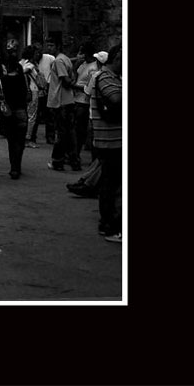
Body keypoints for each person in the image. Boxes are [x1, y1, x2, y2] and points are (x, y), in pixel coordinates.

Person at [91, 45, 122, 243]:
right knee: (112, 184)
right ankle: (111, 226)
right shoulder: (105, 77)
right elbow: (116, 99)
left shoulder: (110, 77)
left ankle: (108, 224)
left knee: (110, 183)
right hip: (110, 139)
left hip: (112, 138)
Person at [46, 42, 81, 173]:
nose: (49, 48)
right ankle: (73, 160)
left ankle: (58, 160)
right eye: (48, 45)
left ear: (57, 47)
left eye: (51, 45)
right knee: (69, 132)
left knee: (62, 133)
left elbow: (65, 80)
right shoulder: (64, 59)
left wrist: (73, 84)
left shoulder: (59, 61)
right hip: (68, 100)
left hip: (60, 100)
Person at [0, 50, 29, 179]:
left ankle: (14, 167)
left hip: (9, 112)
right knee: (20, 141)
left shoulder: (4, 80)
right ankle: (17, 166)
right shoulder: (22, 79)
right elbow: (28, 96)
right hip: (21, 111)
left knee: (11, 141)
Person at [73, 46, 98, 154]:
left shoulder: (94, 67)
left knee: (80, 127)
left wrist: (75, 86)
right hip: (76, 98)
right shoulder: (83, 64)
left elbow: (90, 86)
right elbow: (77, 74)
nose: (80, 55)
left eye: (82, 53)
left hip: (84, 99)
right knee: (76, 126)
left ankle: (77, 151)